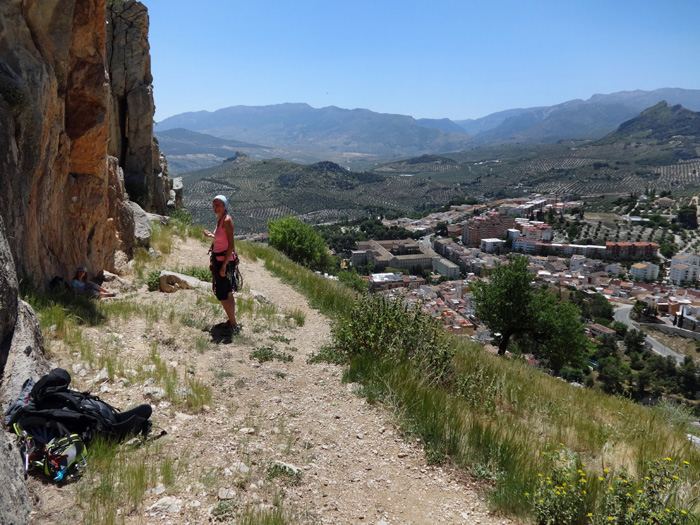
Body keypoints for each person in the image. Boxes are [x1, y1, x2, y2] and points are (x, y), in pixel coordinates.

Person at [203, 195, 240, 333]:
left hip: (224, 262)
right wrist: (212, 236)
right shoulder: (220, 220)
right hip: (222, 260)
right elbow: (222, 238)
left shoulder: (227, 220)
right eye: (214, 204)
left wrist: (224, 265)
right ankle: (232, 322)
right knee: (228, 293)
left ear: (225, 206)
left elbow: (231, 245)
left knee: (222, 295)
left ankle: (234, 325)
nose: (216, 207)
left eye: (219, 204)